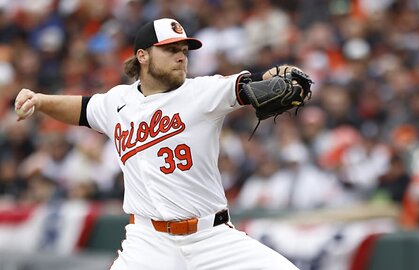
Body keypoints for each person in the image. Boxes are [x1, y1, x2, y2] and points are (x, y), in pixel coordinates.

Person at [14, 18, 311, 269]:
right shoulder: (118, 102)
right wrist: (40, 100)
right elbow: (81, 108)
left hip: (212, 238)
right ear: (143, 56)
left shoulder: (203, 91)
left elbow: (254, 82)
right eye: (170, 49)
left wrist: (281, 74)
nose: (181, 56)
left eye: (184, 50)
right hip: (148, 242)